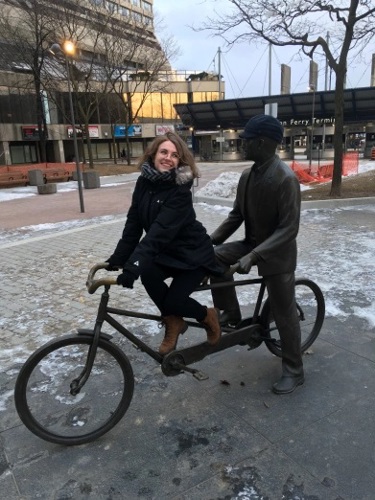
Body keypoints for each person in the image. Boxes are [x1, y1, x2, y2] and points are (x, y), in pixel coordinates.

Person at [209, 114, 304, 395]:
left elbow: (289, 229)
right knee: (213, 258)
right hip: (252, 244)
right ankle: (232, 313)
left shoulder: (285, 179)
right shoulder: (247, 175)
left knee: (284, 313)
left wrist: (253, 257)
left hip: (278, 255)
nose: (242, 144)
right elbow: (236, 216)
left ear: (261, 143)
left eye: (246, 140)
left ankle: (295, 370)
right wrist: (208, 241)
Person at [106, 132, 223, 355]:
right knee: (148, 274)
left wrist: (133, 266)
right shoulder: (143, 182)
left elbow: (158, 233)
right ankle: (174, 322)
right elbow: (134, 224)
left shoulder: (180, 191)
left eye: (175, 155)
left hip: (193, 255)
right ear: (153, 154)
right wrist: (119, 259)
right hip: (167, 254)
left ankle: (208, 315)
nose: (168, 158)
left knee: (173, 302)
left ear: (180, 161)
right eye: (164, 152)